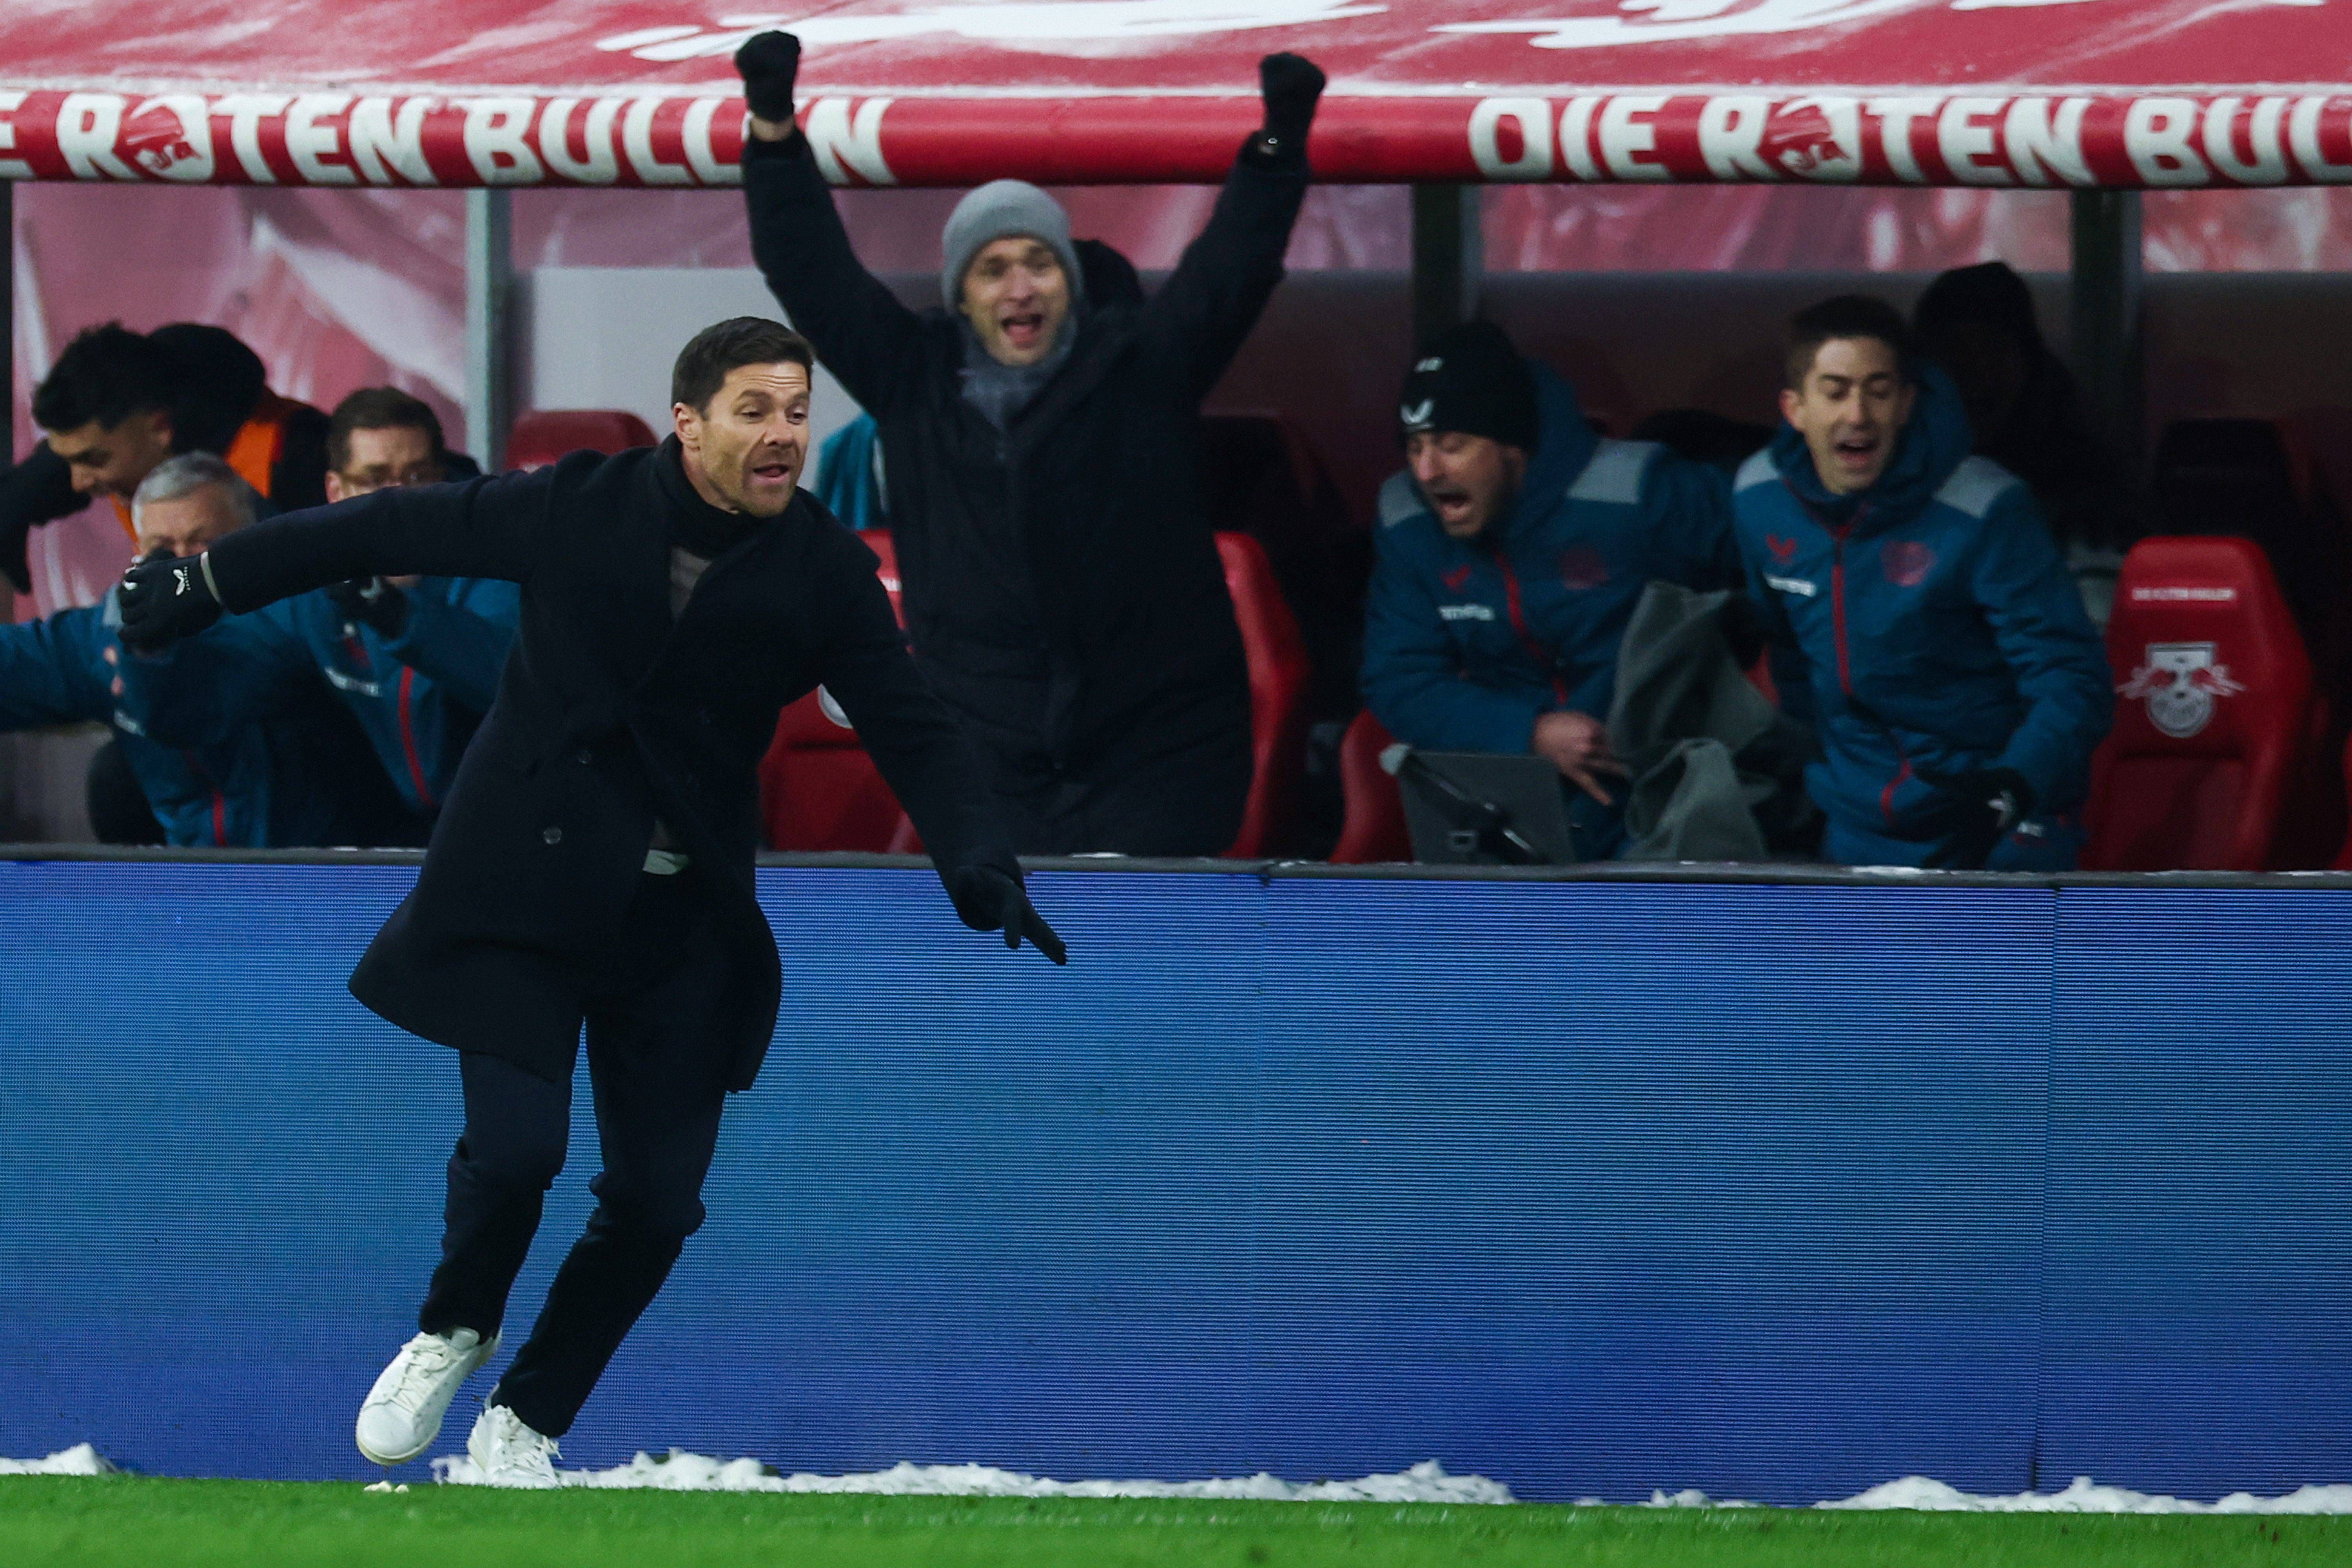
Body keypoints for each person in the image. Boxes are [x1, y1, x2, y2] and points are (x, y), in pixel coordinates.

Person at [116, 316, 1066, 1486]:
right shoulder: (575, 504)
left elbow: (907, 717)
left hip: (681, 919)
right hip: (525, 884)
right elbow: (381, 523)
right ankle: (453, 1327)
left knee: (659, 1203)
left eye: (794, 411)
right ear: (688, 422)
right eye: (753, 411)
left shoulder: (819, 569)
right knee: (518, 1154)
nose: (781, 434)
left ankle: (526, 1416)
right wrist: (208, 580)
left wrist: (979, 857)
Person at [733, 31, 1325, 857]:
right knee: (1012, 980)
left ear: (1069, 285)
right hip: (988, 759)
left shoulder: (1144, 369)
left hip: (1159, 752)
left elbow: (1235, 268)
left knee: (1138, 970)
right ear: (963, 296)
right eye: (993, 267)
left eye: (1040, 262)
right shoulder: (912, 380)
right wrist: (771, 131)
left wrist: (1277, 144)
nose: (1020, 286)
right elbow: (807, 268)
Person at [1734, 295, 2112, 870]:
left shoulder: (1985, 507)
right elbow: (1788, 656)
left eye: (1878, 391)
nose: (1857, 415)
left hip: (1996, 818)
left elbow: (2073, 678)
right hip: (1857, 823)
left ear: (1907, 403)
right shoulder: (1758, 499)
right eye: (1835, 391)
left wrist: (2013, 786)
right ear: (1795, 408)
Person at [1359, 320, 1742, 861]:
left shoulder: (1635, 496)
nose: (1426, 470)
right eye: (1415, 446)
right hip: (1504, 805)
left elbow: (1776, 546)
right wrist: (1529, 733)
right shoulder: (1408, 525)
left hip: (1654, 800)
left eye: (1452, 445)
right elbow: (1399, 678)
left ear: (1513, 447)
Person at [119, 390, 520, 832]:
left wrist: (397, 613)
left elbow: (519, 684)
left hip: (523, 826)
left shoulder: (494, 560)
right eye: (375, 478)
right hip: (405, 843)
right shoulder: (317, 590)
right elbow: (199, 709)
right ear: (336, 490)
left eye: (417, 476)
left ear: (443, 483)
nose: (399, 498)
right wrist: (151, 649)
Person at [0, 453, 392, 848]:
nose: (180, 563)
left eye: (203, 543)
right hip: (193, 882)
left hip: (325, 873)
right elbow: (22, 665)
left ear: (252, 537)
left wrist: (148, 660)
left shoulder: (300, 618)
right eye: (161, 548)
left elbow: (200, 692)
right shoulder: (106, 631)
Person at [1, 321, 330, 592]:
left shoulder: (303, 462)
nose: (78, 481)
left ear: (160, 427)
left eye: (94, 460)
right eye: (67, 460)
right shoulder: (112, 435)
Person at [1911, 262, 2133, 623]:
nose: (1975, 370)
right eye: (1955, 350)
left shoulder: (2088, 496)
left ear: (2027, 363)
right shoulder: (1887, 486)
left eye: (1992, 348)